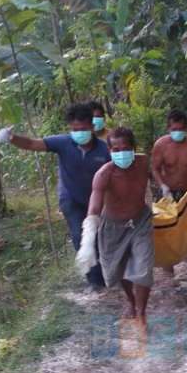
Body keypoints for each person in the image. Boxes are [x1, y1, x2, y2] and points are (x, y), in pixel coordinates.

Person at [0, 103, 109, 289]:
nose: (79, 133)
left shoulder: (104, 150)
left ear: (91, 126)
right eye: (75, 129)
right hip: (70, 199)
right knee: (79, 236)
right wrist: (11, 138)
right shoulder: (63, 143)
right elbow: (32, 143)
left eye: (83, 129)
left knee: (98, 238)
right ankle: (95, 282)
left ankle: (106, 273)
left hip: (97, 201)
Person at [77, 127, 154, 328]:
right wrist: (87, 239)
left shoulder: (143, 162)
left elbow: (154, 175)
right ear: (110, 151)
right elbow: (94, 206)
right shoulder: (104, 174)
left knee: (143, 268)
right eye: (116, 150)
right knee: (118, 270)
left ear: (133, 148)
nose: (121, 153)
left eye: (126, 148)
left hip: (140, 221)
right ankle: (131, 301)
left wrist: (166, 188)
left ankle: (141, 313)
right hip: (112, 226)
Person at [151, 110, 187, 202]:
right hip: (168, 191)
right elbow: (155, 169)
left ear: (186, 128)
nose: (178, 132)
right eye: (174, 129)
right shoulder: (160, 145)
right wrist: (162, 186)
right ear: (168, 128)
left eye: (181, 129)